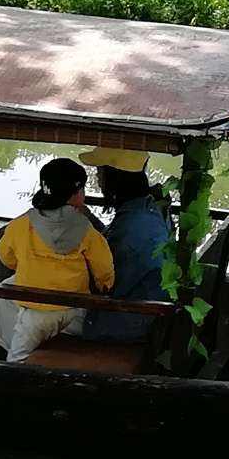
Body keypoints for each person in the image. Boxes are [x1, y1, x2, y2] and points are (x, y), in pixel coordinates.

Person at [0, 157, 115, 362]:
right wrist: (105, 285)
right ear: (77, 194)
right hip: (74, 310)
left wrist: (27, 266)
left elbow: (6, 256)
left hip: (35, 312)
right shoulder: (87, 230)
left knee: (17, 358)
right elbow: (104, 268)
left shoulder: (21, 225)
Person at [79, 146, 169, 344]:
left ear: (114, 179)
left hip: (123, 322)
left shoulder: (131, 231)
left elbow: (103, 284)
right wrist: (90, 220)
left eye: (100, 172)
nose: (97, 178)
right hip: (145, 311)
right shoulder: (147, 207)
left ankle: (16, 365)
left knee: (20, 301)